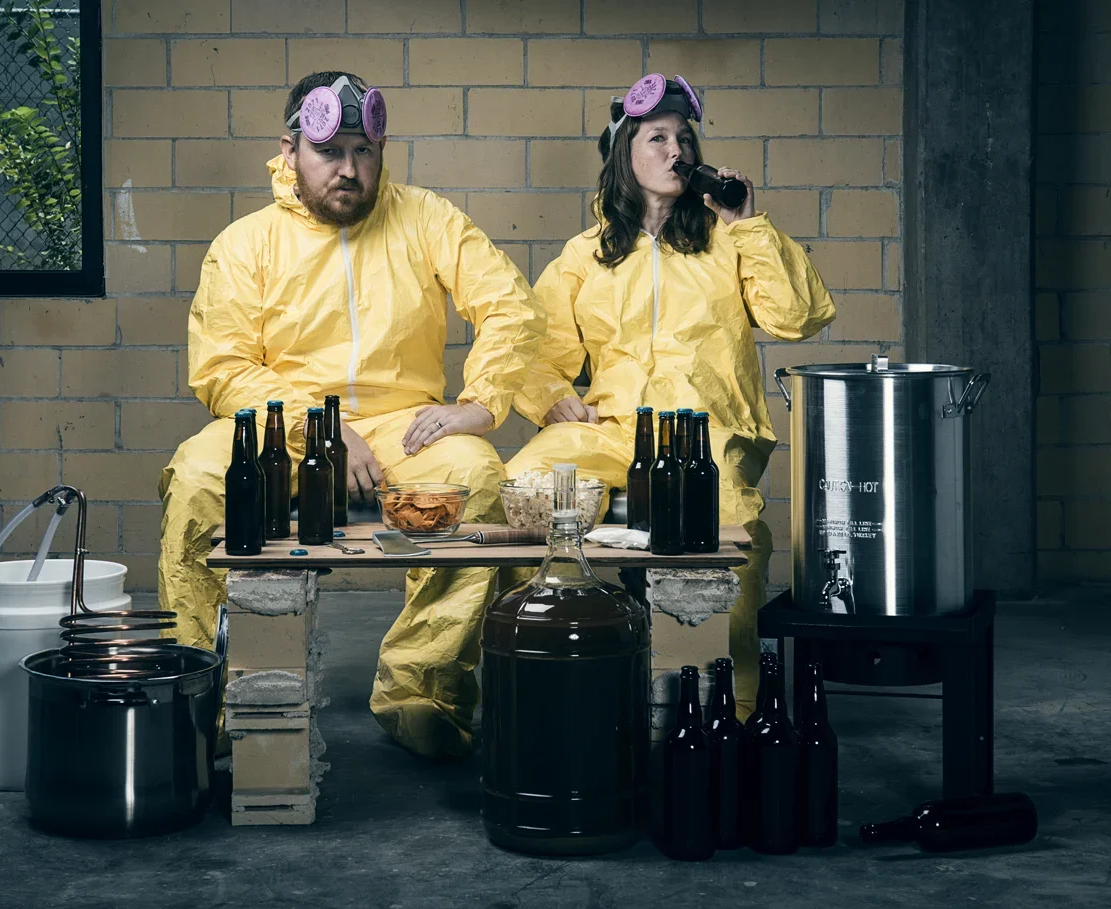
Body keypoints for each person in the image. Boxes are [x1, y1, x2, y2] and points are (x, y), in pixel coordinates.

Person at [159, 71, 545, 758]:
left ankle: (419, 691)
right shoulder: (245, 244)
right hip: (287, 431)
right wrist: (322, 425)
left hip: (404, 431)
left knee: (480, 478)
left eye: (364, 151)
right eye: (329, 151)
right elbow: (221, 367)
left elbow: (509, 305)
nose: (349, 168)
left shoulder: (427, 219)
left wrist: (479, 402)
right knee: (195, 476)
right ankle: (203, 700)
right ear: (289, 151)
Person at [505, 75, 835, 720]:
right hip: (615, 432)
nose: (674, 149)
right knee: (529, 488)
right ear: (623, 154)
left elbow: (797, 317)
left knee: (727, 554)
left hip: (708, 437)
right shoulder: (586, 255)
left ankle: (729, 716)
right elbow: (535, 353)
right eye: (656, 138)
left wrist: (746, 225)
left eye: (683, 138)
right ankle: (560, 693)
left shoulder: (727, 243)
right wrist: (550, 397)